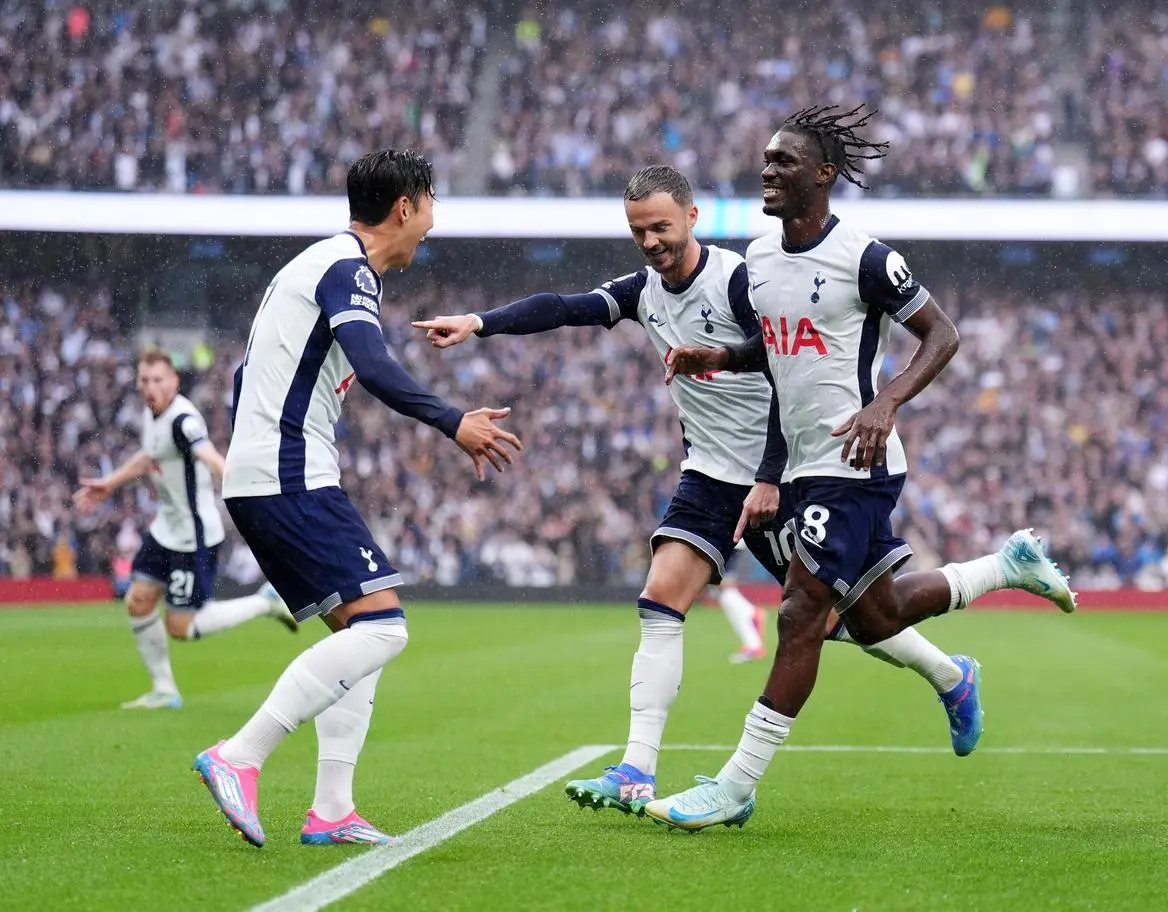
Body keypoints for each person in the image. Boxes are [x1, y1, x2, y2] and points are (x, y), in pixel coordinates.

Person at [416, 165, 986, 819]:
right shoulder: (645, 292)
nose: (651, 241)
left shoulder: (744, 282)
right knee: (662, 599)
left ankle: (950, 674)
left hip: (778, 478)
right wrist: (479, 323)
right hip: (709, 476)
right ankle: (635, 770)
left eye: (661, 226)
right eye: (638, 231)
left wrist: (771, 476)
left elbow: (787, 377)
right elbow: (566, 307)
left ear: (692, 218)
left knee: (848, 619)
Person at [647, 106, 1077, 832]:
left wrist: (887, 404)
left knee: (800, 614)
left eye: (783, 162)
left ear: (822, 174)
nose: (768, 172)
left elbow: (943, 334)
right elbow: (780, 354)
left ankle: (735, 785)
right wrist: (720, 356)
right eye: (765, 161)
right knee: (875, 616)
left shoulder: (867, 258)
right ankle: (1004, 570)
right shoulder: (758, 259)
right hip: (807, 466)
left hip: (857, 461)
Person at [190, 149, 522, 848]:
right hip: (288, 473)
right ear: (405, 206)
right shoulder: (349, 269)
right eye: (430, 206)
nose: (432, 224)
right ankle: (238, 756)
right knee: (384, 630)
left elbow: (250, 374)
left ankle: (333, 810)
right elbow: (372, 365)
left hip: (273, 472)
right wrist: (451, 419)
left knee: (363, 634)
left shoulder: (318, 266)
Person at [73, 351, 297, 710]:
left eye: (158, 380)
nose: (150, 387)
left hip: (193, 537)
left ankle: (264, 603)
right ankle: (164, 690)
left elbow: (205, 453)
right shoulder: (153, 414)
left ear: (175, 382)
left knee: (181, 627)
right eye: (145, 380)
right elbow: (150, 457)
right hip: (166, 529)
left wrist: (243, 484)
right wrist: (110, 484)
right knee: (138, 601)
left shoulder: (183, 420)